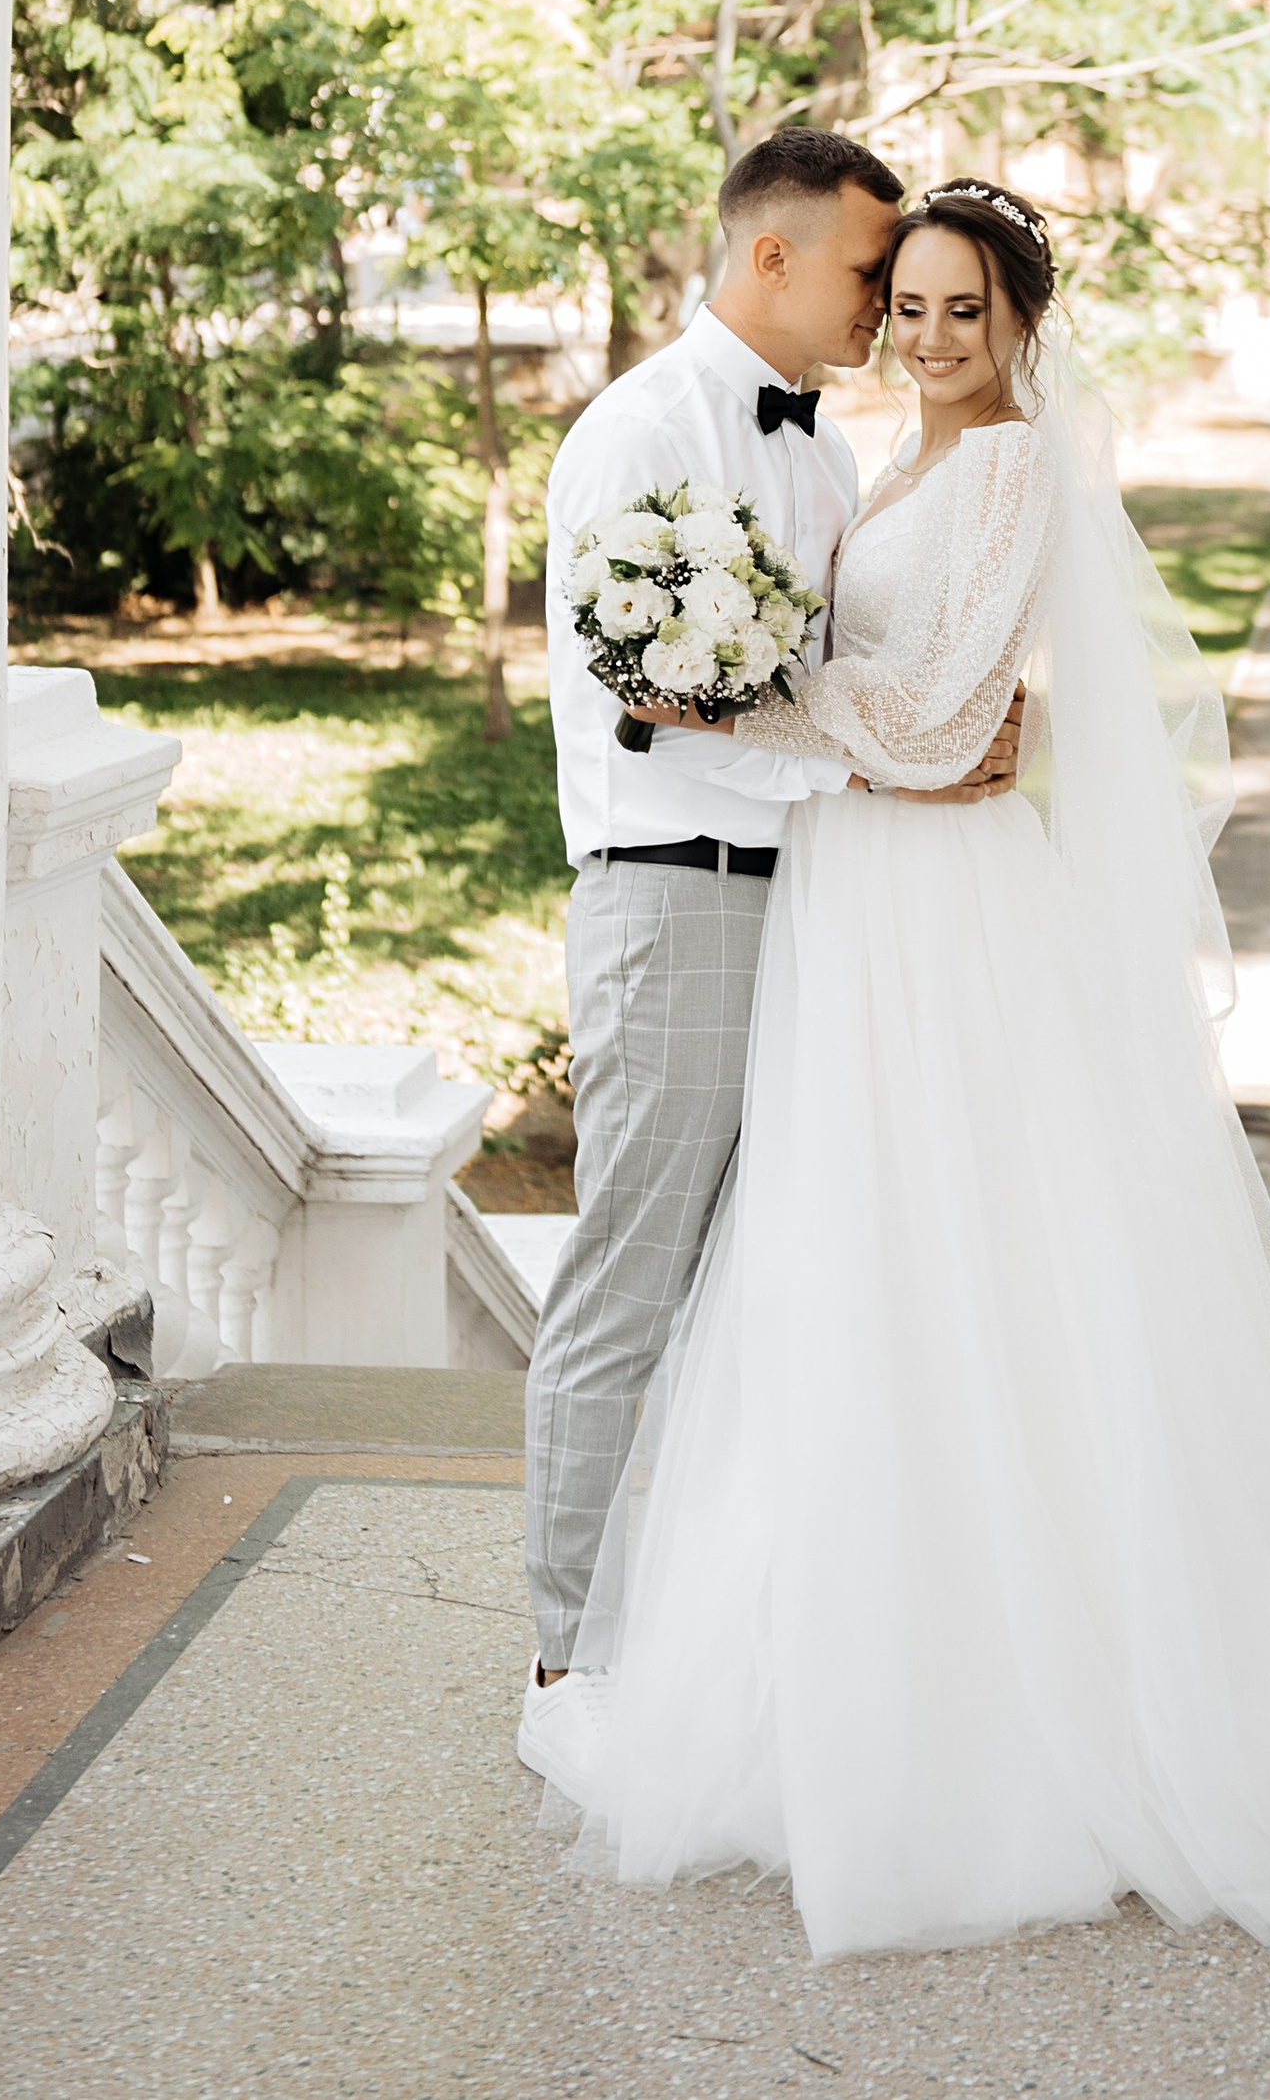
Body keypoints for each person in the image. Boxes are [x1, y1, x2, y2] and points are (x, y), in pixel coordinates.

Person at [529, 179, 1270, 1960]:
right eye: (904, 301)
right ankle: (813, 1650)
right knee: (845, 1274)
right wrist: (782, 705)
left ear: (1023, 326)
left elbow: (927, 709)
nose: (923, 333)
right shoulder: (867, 457)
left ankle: (1025, 1693)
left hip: (932, 914)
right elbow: (920, 705)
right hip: (854, 890)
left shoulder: (1009, 464)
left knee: (967, 1263)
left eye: (962, 309)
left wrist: (734, 700)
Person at [521, 127, 1021, 1746]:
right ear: (776, 256)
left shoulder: (824, 456)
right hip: (677, 888)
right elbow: (659, 714)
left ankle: (740, 1634)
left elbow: (822, 671)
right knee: (633, 1276)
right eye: (874, 275)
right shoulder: (639, 436)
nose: (888, 308)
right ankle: (567, 1656)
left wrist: (917, 746)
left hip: (814, 898)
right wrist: (895, 755)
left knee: (780, 1282)